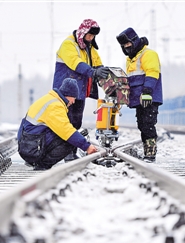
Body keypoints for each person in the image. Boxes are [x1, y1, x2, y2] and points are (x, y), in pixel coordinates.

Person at [52, 18, 109, 162]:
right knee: (67, 122)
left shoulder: (89, 47)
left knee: (76, 122)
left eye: (93, 37)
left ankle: (70, 152)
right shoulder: (68, 44)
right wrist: (93, 72)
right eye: (89, 36)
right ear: (82, 33)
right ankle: (66, 154)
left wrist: (104, 75)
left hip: (79, 91)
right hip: (65, 91)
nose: (90, 39)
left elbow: (97, 63)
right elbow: (76, 63)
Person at [17, 78, 98, 170]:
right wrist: (86, 146)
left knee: (73, 136)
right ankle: (42, 165)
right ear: (68, 95)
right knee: (70, 141)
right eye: (74, 98)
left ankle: (36, 161)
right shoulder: (55, 106)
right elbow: (66, 130)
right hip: (33, 149)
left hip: (28, 145)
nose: (73, 102)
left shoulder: (49, 99)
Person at [116, 27, 163, 162]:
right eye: (124, 46)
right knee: (142, 124)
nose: (126, 48)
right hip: (138, 98)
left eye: (128, 45)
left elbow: (152, 72)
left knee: (148, 123)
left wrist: (147, 91)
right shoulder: (130, 59)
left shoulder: (148, 54)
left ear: (134, 41)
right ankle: (147, 151)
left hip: (149, 96)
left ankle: (150, 153)